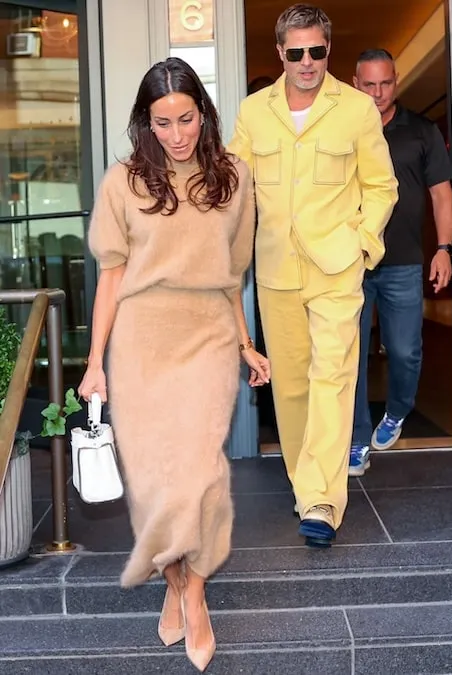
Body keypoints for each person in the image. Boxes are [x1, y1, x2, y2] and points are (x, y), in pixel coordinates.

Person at [78, 57, 269, 672]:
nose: (177, 134)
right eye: (162, 123)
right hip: (139, 339)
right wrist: (94, 363)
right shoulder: (122, 183)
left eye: (186, 119)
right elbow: (110, 278)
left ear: (205, 114)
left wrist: (244, 343)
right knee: (159, 480)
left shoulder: (234, 178)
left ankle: (196, 591)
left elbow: (234, 275)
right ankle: (174, 580)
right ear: (145, 122)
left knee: (198, 471)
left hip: (208, 335)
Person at [227, 3, 398, 547]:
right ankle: (307, 486)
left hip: (336, 267)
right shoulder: (254, 112)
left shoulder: (356, 109)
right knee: (293, 388)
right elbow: (233, 187)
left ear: (329, 51)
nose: (306, 62)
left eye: (316, 51)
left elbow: (381, 186)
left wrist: (362, 245)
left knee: (333, 376)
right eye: (295, 52)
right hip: (277, 268)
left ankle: (323, 499)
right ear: (280, 53)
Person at [348, 48, 452, 474]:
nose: (378, 93)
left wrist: (443, 248)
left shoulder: (422, 131)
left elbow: (441, 195)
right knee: (349, 355)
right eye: (369, 84)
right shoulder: (344, 132)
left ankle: (396, 411)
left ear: (396, 81)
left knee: (407, 352)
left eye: (385, 83)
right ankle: (356, 438)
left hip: (405, 262)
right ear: (356, 84)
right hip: (351, 263)